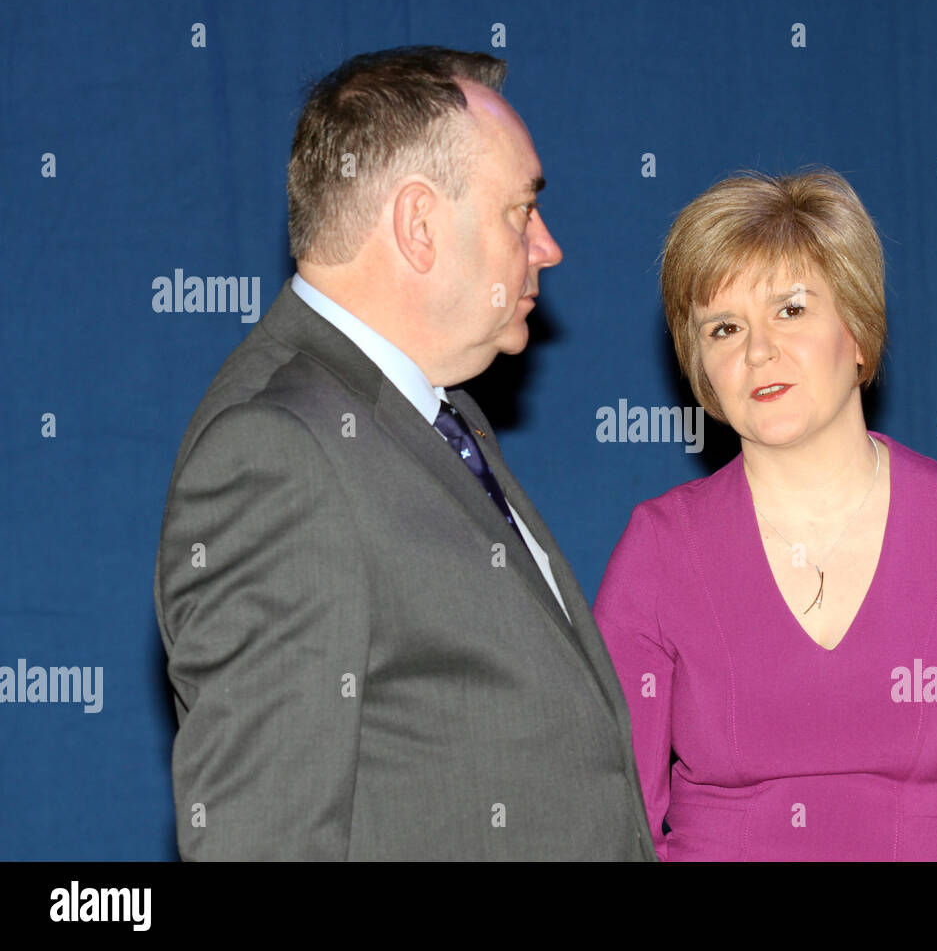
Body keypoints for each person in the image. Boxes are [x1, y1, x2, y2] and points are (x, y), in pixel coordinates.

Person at [154, 46, 654, 860]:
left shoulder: (433, 412)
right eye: (521, 211)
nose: (548, 246)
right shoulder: (277, 453)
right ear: (419, 225)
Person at [593, 167, 937, 860]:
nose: (758, 351)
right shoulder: (660, 549)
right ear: (703, 374)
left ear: (860, 333)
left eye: (791, 310)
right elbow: (611, 820)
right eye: (724, 328)